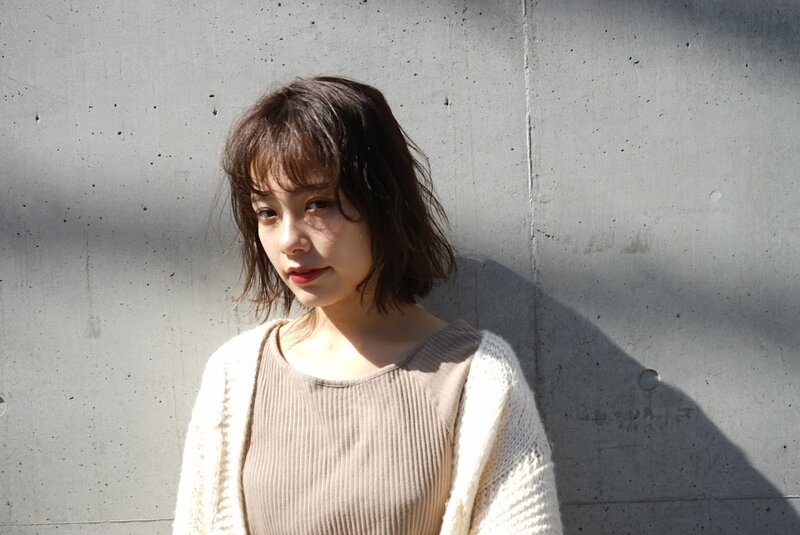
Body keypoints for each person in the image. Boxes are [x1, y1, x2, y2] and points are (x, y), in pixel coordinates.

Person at [172, 76, 562, 534]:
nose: (289, 241)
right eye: (268, 212)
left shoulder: (478, 377)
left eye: (318, 204)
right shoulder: (236, 374)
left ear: (383, 201)